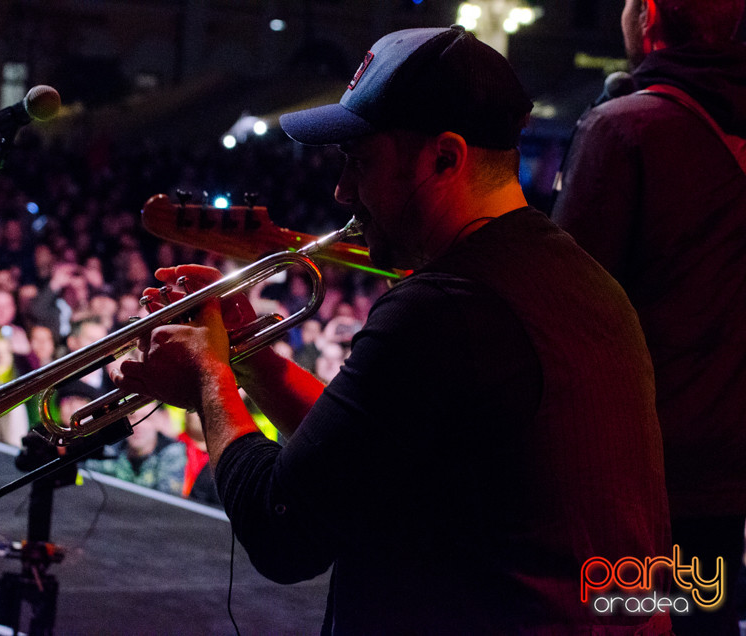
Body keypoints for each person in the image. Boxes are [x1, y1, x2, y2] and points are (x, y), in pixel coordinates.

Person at [111, 27, 672, 633]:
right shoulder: (572, 274)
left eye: (361, 160)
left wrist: (208, 379)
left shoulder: (446, 305)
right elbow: (366, 447)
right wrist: (249, 356)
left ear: (445, 157)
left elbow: (282, 531)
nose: (341, 189)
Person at [550, 1, 746, 633]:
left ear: (651, 14)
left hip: (640, 476)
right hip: (726, 472)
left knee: (628, 620)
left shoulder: (626, 127)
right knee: (699, 620)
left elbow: (563, 304)